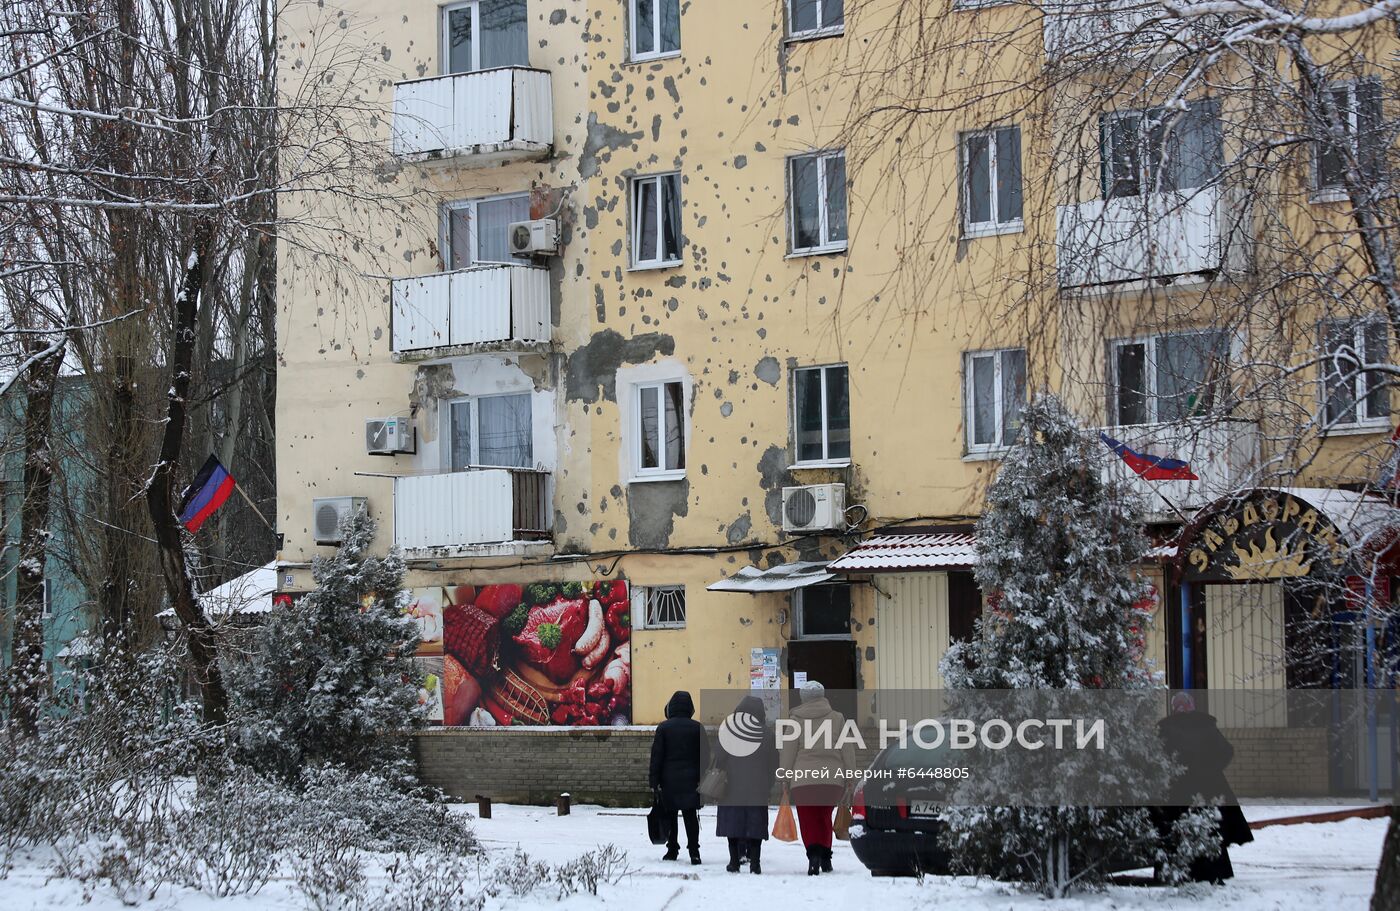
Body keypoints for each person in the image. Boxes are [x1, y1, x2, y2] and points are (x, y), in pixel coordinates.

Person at [1156, 691, 1254, 883]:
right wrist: (1212, 768)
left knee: (1177, 828)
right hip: (1209, 786)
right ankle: (1216, 871)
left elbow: (1158, 756)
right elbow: (1226, 750)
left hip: (1178, 789)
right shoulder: (1205, 725)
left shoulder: (1167, 727)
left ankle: (1179, 872)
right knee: (1210, 828)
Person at [779, 679, 855, 875]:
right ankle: (826, 858)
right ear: (823, 696)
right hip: (832, 781)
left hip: (804, 781)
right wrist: (849, 776)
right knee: (824, 817)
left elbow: (788, 752)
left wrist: (785, 778)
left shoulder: (795, 720)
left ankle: (813, 856)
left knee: (808, 818)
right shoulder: (838, 718)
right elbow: (847, 749)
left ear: (803, 698)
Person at [714, 694, 778, 874]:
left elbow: (718, 758)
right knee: (756, 823)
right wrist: (768, 783)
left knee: (732, 822)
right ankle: (755, 863)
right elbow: (774, 762)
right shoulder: (767, 734)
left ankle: (734, 861)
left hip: (731, 786)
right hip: (757, 786)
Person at [649, 690, 708, 864]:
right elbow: (705, 756)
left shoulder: (664, 728)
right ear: (690, 708)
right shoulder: (697, 727)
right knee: (690, 816)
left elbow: (656, 756)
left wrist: (654, 781)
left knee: (671, 815)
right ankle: (694, 852)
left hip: (669, 780)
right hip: (692, 780)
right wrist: (702, 777)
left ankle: (672, 850)